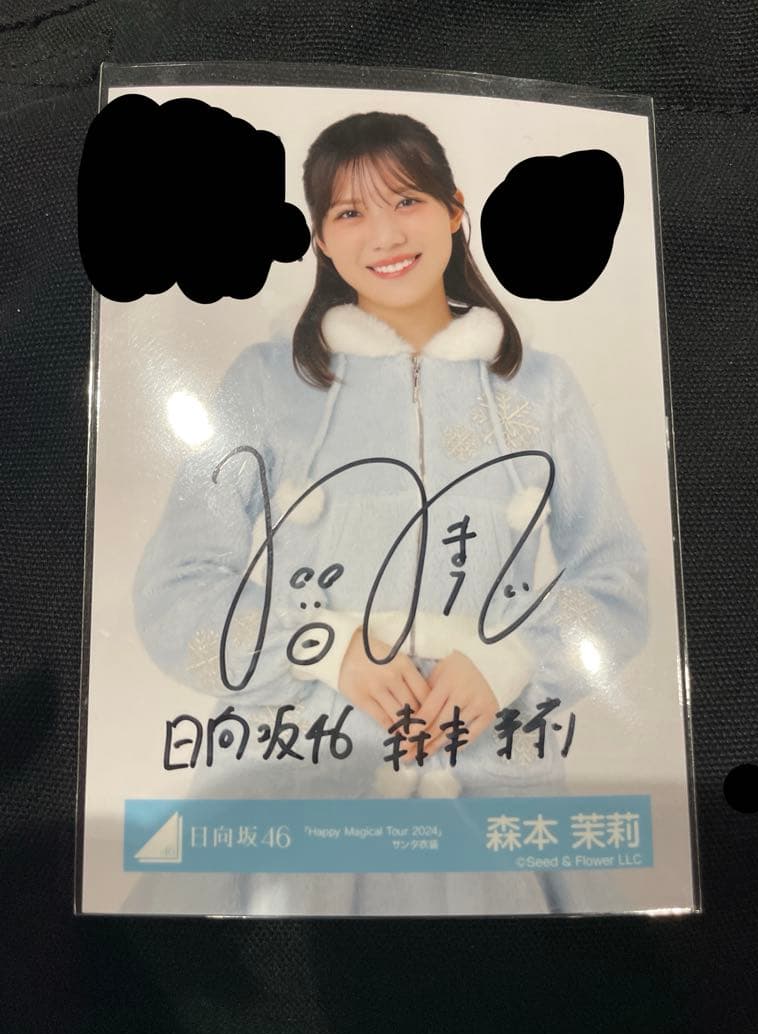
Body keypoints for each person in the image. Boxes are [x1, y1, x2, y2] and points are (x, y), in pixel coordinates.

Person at [126, 111, 648, 916]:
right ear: (321, 239)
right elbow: (178, 585)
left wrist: (512, 662)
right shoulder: (265, 384)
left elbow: (614, 580)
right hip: (300, 778)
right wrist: (323, 648)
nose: (385, 235)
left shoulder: (541, 390)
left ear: (454, 209)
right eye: (350, 212)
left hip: (493, 784)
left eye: (407, 200)